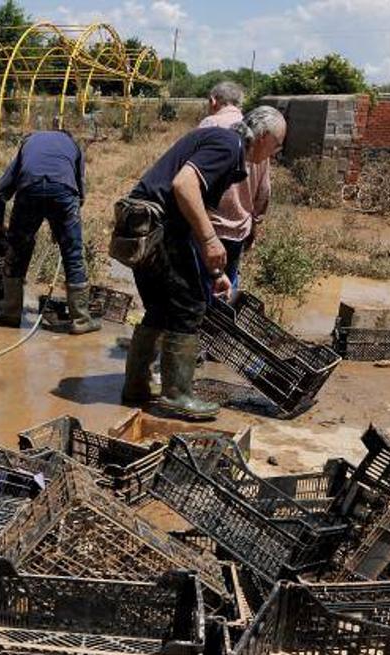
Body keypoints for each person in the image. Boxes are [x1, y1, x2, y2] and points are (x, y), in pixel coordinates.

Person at [118, 106, 286, 418]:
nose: (275, 153)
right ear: (262, 138)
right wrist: (211, 240)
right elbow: (184, 186)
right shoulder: (229, 146)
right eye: (277, 146)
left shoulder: (221, 142)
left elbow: (191, 213)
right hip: (159, 228)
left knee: (160, 308)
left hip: (142, 226)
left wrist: (215, 271)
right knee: (190, 306)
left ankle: (137, 386)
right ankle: (177, 394)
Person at [0, 128, 99, 335]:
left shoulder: (29, 143)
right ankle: (81, 319)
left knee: (17, 250)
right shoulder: (74, 145)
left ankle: (11, 313)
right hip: (64, 193)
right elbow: (80, 193)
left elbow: (0, 192)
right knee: (73, 255)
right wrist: (61, 229)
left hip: (29, 190)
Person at [197, 81, 273, 291]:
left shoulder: (209, 125)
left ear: (213, 101)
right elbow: (264, 190)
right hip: (240, 229)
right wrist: (254, 224)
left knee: (199, 288)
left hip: (207, 228)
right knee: (227, 288)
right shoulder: (257, 133)